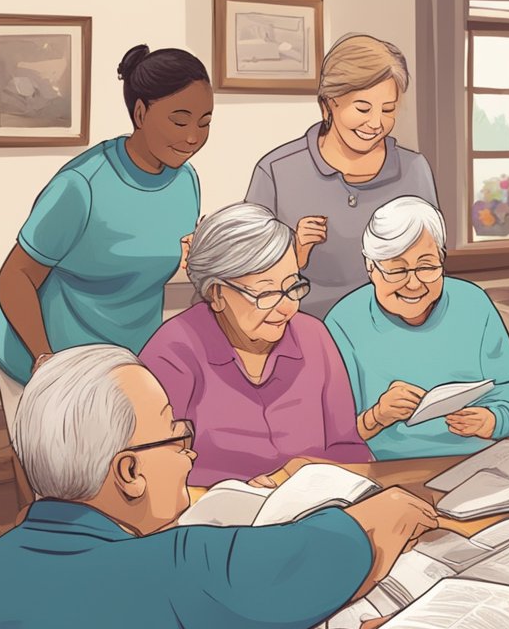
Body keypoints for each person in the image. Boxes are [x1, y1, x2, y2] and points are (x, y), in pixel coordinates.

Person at [0, 345, 440, 629]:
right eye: (177, 434)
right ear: (129, 473)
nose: (190, 453)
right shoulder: (170, 571)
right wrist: (393, 506)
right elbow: (344, 549)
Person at [0, 44, 211, 424]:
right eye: (180, 120)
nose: (193, 137)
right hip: (45, 355)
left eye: (205, 122)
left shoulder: (186, 181)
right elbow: (15, 276)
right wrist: (45, 361)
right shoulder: (81, 186)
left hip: (126, 361)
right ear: (140, 112)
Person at [140, 203, 371, 487]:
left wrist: (303, 470)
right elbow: (151, 473)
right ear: (217, 293)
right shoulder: (172, 351)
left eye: (292, 287)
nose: (287, 307)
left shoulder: (314, 337)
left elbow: (349, 449)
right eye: (267, 293)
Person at [247, 34, 438, 318]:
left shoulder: (414, 170)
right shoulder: (276, 170)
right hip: (304, 332)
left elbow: (431, 266)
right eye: (362, 108)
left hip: (391, 331)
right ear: (328, 104)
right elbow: (246, 274)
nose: (375, 124)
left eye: (388, 110)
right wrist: (295, 254)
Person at [324, 197, 509, 459]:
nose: (414, 284)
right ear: (370, 267)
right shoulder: (344, 321)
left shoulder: (473, 303)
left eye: (427, 267)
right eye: (397, 270)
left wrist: (492, 421)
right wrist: (377, 416)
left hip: (477, 459)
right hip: (386, 466)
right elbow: (329, 435)